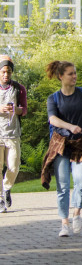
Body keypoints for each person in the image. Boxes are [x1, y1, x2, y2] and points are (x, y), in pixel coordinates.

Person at [40, 61, 82, 237]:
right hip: (61, 146)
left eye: (75, 73)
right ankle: (64, 223)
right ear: (61, 76)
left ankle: (76, 214)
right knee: (62, 186)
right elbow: (53, 119)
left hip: (80, 145)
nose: (74, 76)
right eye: (70, 74)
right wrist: (70, 126)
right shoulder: (53, 98)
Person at [0, 55, 26, 213]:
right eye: (3, 71)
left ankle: (7, 187)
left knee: (14, 166)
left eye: (8, 72)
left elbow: (24, 110)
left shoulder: (18, 88)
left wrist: (15, 110)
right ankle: (0, 198)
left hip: (13, 133)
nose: (5, 75)